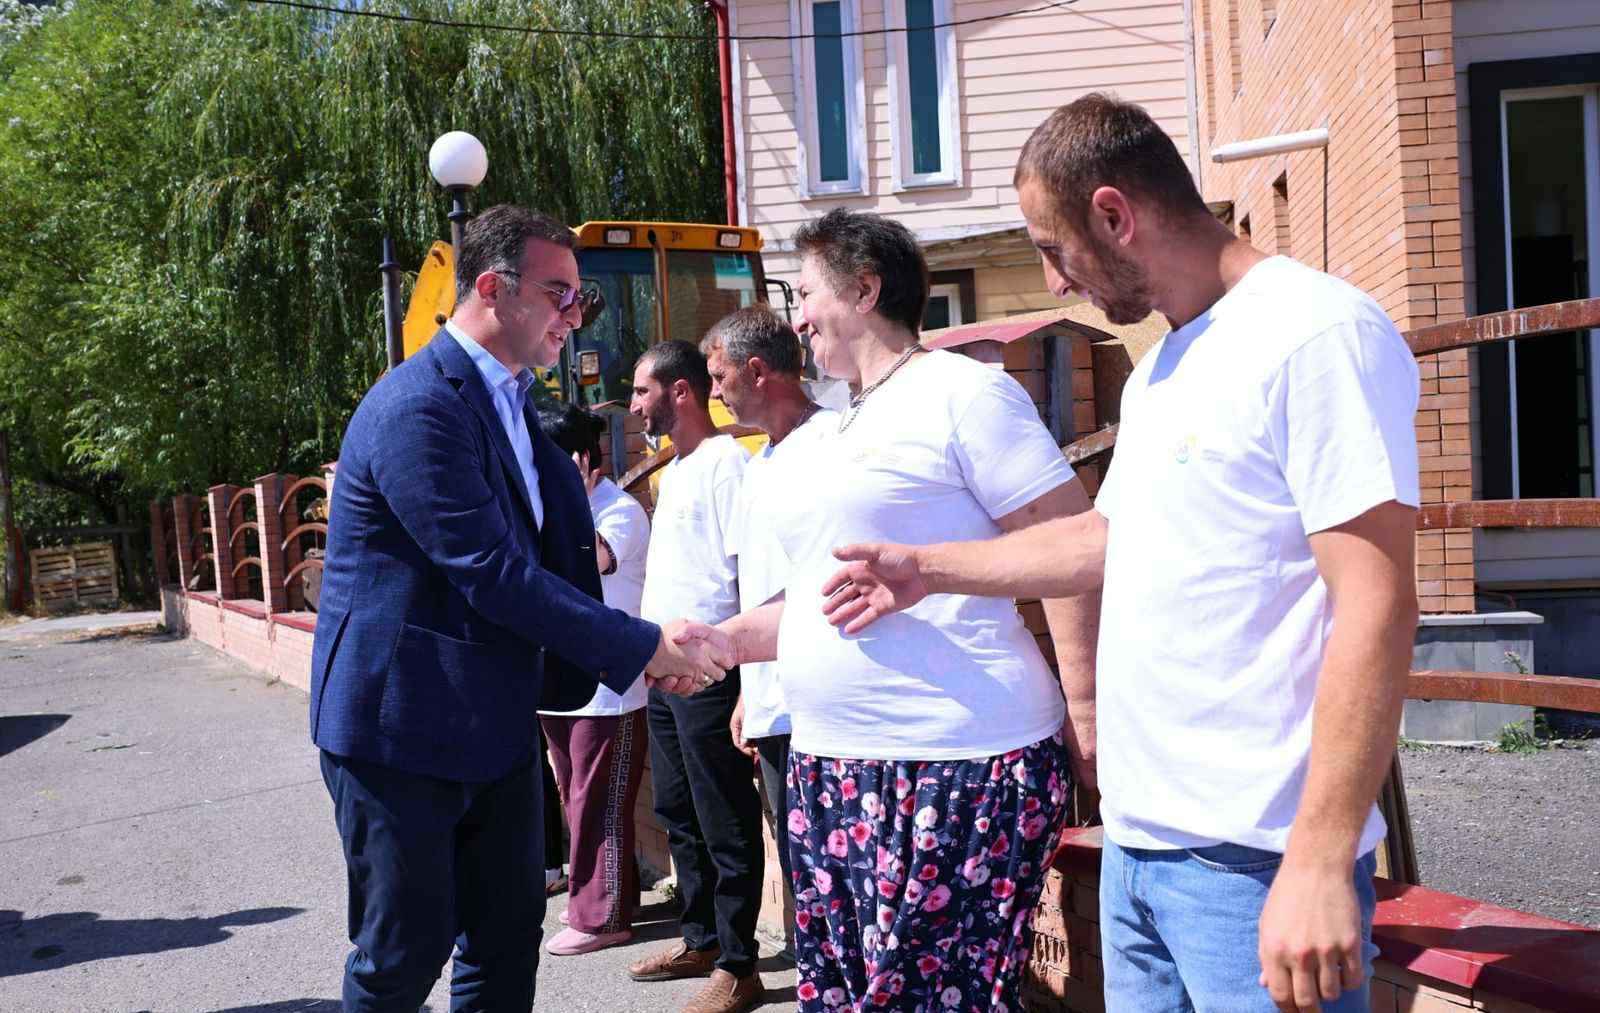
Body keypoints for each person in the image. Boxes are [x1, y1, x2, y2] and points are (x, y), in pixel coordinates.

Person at [821, 94, 1421, 1013]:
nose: (1055, 282)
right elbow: (1106, 538)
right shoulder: (1167, 366)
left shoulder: (1316, 333)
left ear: (1114, 215)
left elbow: (1376, 602)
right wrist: (926, 570)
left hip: (1256, 860)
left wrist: (1319, 856)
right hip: (1142, 850)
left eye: (1053, 249)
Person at [309, 205, 730, 1012]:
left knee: (505, 944)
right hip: (400, 730)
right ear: (494, 289)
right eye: (560, 294)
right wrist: (643, 645)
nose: (576, 314)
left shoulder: (511, 403)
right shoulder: (418, 407)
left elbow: (555, 562)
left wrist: (638, 648)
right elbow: (491, 572)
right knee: (402, 955)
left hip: (496, 721)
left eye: (582, 299)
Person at [705, 208, 1100, 1013]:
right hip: (834, 770)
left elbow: (1075, 547)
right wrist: (716, 642)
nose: (797, 318)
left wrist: (1088, 716)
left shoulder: (965, 394)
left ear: (864, 290)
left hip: (958, 763)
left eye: (806, 294)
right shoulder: (840, 424)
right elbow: (822, 599)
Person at [625, 340, 766, 1013]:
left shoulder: (725, 465)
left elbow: (750, 576)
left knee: (724, 817)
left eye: (640, 391)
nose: (633, 406)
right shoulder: (673, 470)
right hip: (665, 675)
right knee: (678, 812)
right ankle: (702, 939)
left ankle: (740, 966)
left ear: (679, 391)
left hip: (710, 674)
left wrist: (748, 678)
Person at [701, 306, 837, 904]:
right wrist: (749, 693)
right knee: (801, 869)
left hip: (821, 706)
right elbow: (762, 590)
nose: (714, 393)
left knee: (831, 874)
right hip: (774, 706)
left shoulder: (832, 446)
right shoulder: (760, 465)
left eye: (719, 377)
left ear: (756, 371)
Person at [536, 403, 652, 956]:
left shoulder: (618, 511)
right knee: (573, 793)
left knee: (598, 799)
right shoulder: (554, 509)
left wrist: (567, 501)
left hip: (609, 687)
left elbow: (594, 563)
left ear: (583, 461)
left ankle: (602, 919)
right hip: (562, 680)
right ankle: (601, 898)